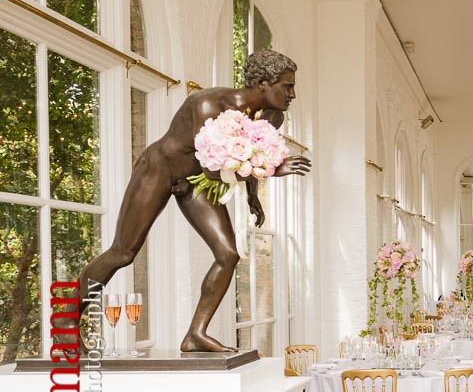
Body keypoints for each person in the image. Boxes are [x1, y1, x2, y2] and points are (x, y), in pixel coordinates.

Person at [78, 50, 311, 352]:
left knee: (228, 254)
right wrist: (272, 168)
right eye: (287, 86)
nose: (292, 94)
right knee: (123, 252)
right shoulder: (210, 103)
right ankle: (66, 324)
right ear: (264, 83)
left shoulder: (272, 117)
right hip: (161, 170)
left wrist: (253, 195)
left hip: (195, 182)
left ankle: (195, 335)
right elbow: (212, 168)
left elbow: (246, 155)